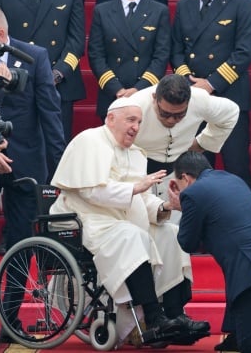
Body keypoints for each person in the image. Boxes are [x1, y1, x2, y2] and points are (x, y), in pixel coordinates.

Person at [50, 97, 210, 343]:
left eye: (139, 121)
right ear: (111, 118)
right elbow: (89, 191)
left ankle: (175, 316)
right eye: (131, 120)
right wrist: (134, 189)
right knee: (132, 235)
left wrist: (166, 206)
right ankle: (154, 319)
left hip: (123, 222)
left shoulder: (136, 153)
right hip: (88, 219)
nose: (136, 126)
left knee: (170, 233)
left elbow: (142, 200)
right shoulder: (89, 141)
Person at [0, 3, 66, 346]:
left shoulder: (34, 56)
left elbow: (50, 114)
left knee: (21, 241)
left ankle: (10, 317)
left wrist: (59, 171)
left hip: (26, 165)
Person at [169, 151, 251, 353]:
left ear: (185, 178)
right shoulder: (231, 178)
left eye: (177, 185)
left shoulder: (192, 194)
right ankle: (234, 338)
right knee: (240, 310)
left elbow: (187, 243)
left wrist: (181, 207)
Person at [171, 0, 251, 189]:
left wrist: (210, 84)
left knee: (236, 166)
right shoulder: (185, 5)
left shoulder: (241, 1)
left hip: (230, 95)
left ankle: (240, 217)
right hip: (194, 98)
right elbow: (176, 50)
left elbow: (245, 50)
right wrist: (188, 80)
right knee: (195, 170)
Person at [0, 0, 86, 143]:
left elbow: (76, 41)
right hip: (16, 82)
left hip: (57, 84)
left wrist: (58, 73)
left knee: (55, 148)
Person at [128, 74, 238, 198]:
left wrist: (203, 143)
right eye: (165, 113)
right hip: (138, 174)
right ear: (154, 98)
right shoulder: (134, 106)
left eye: (179, 115)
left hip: (176, 173)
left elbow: (231, 112)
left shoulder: (199, 99)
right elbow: (112, 139)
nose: (171, 120)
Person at [88, 0, 170, 121]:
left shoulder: (159, 10)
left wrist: (139, 89)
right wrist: (117, 89)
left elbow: (161, 56)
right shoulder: (102, 11)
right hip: (112, 94)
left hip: (145, 95)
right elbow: (96, 55)